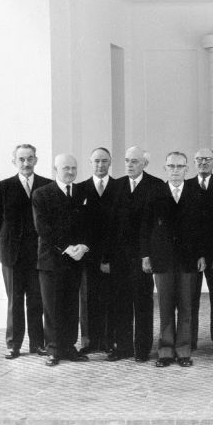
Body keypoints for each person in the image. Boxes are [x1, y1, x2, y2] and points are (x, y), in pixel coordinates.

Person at [141, 152, 205, 368]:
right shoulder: (155, 193)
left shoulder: (196, 193)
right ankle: (166, 351)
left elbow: (202, 229)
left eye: (180, 166)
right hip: (162, 260)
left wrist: (202, 255)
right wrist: (146, 255)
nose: (176, 170)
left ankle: (184, 350)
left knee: (186, 307)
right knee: (166, 307)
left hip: (188, 261)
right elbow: (145, 227)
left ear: (187, 169)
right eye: (172, 166)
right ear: (165, 169)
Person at [0, 144, 51, 359]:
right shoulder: (2, 187)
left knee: (36, 300)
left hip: (38, 255)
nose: (26, 163)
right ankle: (13, 345)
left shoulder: (46, 185)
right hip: (12, 256)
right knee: (14, 301)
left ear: (36, 160)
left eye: (30, 158)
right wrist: (8, 241)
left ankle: (38, 344)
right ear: (14, 161)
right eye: (22, 159)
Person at [103, 146, 161, 362]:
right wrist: (106, 258)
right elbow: (109, 225)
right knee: (121, 303)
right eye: (127, 160)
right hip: (119, 258)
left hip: (142, 257)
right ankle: (124, 346)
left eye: (134, 161)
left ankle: (142, 348)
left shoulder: (155, 186)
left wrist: (149, 255)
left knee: (143, 303)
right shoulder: (116, 186)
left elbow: (156, 226)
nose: (129, 164)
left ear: (144, 164)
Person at [32, 154, 90, 366]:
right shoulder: (41, 194)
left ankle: (69, 347)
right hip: (51, 261)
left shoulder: (82, 192)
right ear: (56, 169)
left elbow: (88, 224)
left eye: (74, 168)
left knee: (71, 305)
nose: (71, 172)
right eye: (66, 168)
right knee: (53, 306)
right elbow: (43, 228)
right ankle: (54, 349)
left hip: (76, 259)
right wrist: (66, 248)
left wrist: (83, 246)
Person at [77, 147, 117, 354]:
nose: (100, 165)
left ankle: (110, 341)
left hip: (112, 255)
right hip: (87, 256)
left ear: (110, 163)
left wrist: (110, 256)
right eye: (96, 161)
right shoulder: (80, 189)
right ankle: (89, 341)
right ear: (90, 162)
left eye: (104, 161)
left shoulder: (119, 188)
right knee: (87, 298)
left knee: (111, 298)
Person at [187, 148, 213, 352]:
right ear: (194, 162)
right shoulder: (185, 186)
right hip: (192, 254)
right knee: (190, 299)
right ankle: (190, 341)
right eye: (199, 158)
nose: (203, 162)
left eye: (207, 159)